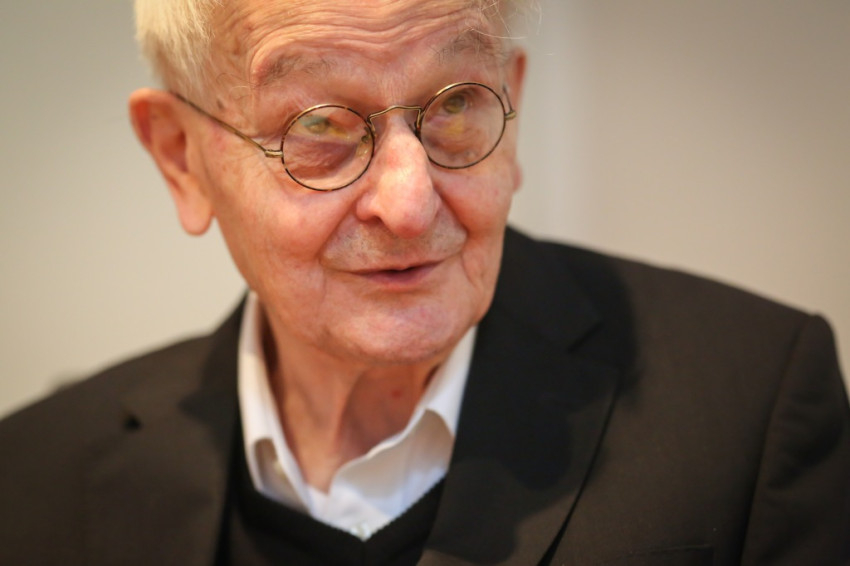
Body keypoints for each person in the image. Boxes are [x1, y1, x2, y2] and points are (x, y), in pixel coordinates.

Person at [1, 0, 848, 564]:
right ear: (180, 158)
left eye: (454, 106)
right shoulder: (32, 478)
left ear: (513, 106)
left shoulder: (751, 404)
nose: (410, 204)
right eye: (320, 125)